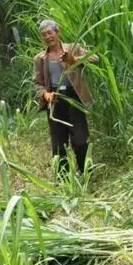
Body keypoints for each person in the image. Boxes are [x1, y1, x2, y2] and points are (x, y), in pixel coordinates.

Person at [33, 19, 98, 176]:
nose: (47, 37)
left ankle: (86, 174)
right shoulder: (40, 59)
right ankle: (63, 180)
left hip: (74, 98)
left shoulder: (73, 49)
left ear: (57, 32)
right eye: (44, 35)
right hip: (55, 101)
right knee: (58, 143)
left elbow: (95, 59)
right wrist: (45, 95)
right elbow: (37, 83)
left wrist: (73, 60)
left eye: (50, 33)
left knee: (80, 139)